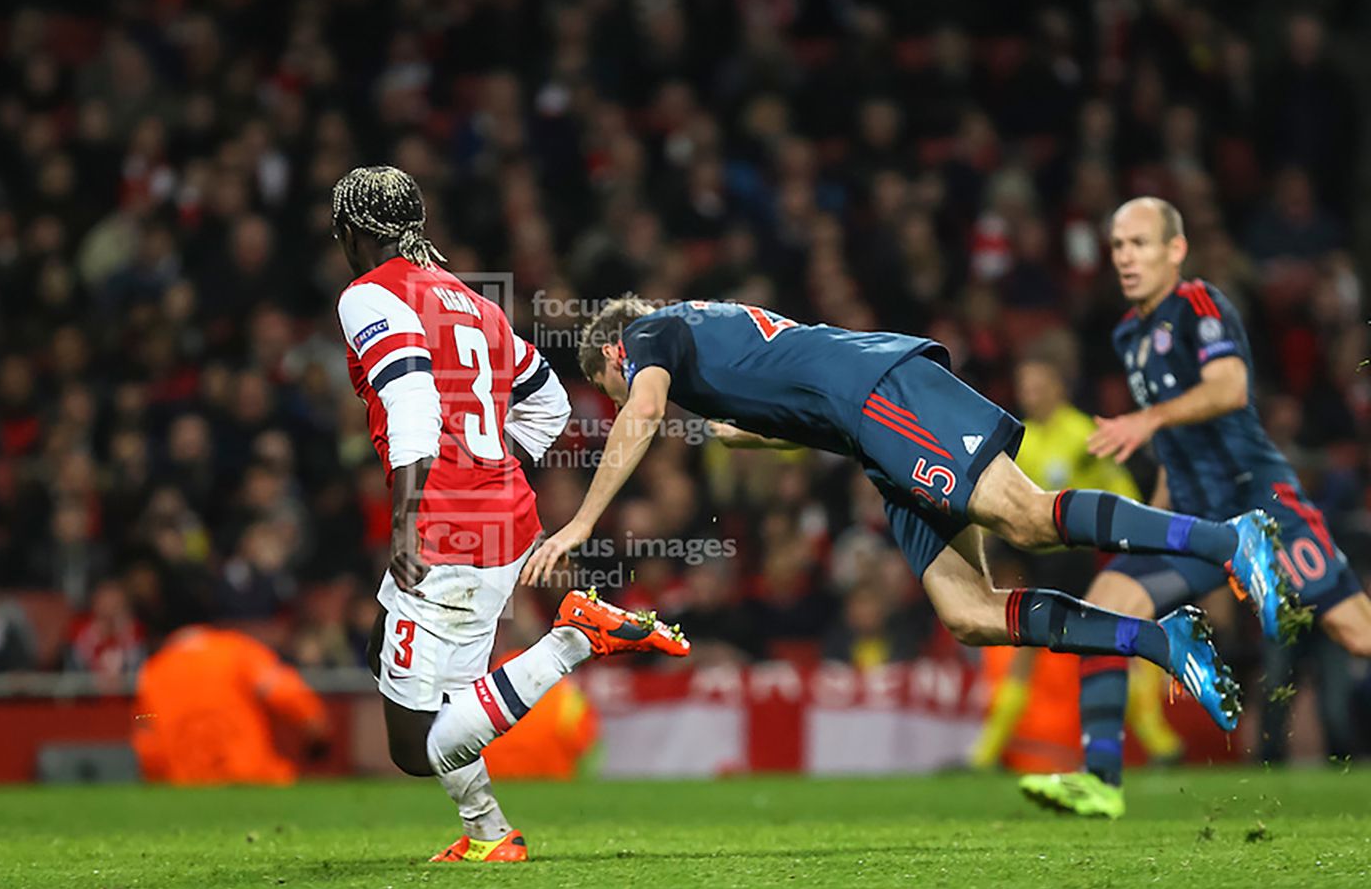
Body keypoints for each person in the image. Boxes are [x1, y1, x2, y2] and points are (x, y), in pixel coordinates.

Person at [523, 287, 1307, 732]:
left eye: (610, 386)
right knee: (968, 612)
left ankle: (1229, 539)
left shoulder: (650, 333)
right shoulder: (701, 336)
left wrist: (583, 521)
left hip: (883, 394)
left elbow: (644, 410)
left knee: (1027, 517)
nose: (619, 399)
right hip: (869, 432)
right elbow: (787, 395)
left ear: (615, 355)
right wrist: (748, 431)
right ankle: (1163, 640)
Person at [330, 166, 687, 864]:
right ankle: (490, 833)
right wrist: (488, 464)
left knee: (417, 748)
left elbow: (411, 403)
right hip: (498, 519)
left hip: (444, 523)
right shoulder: (473, 302)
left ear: (354, 233)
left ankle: (573, 639)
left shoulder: (369, 294)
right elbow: (550, 403)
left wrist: (407, 517)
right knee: (389, 653)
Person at [1020, 197, 1371, 818]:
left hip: (1262, 508)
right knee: (1102, 605)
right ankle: (1100, 779)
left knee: (1355, 631)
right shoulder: (1129, 336)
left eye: (1140, 243)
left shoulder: (1198, 304)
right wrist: (1150, 527)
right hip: (1196, 522)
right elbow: (1174, 452)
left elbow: (1230, 388)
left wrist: (1148, 419)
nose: (1126, 257)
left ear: (1174, 250)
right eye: (1118, 246)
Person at [969, 351, 1183, 774]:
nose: (1029, 393)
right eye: (1024, 386)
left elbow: (1118, 488)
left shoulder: (1082, 434)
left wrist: (1138, 533)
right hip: (1037, 560)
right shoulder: (1020, 437)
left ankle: (1160, 742)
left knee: (1109, 644)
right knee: (1036, 650)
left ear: (1058, 387)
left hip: (1079, 559)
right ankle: (986, 755)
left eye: (1037, 385)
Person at [132, 624, 328, 785]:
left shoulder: (154, 671)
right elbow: (283, 690)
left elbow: (148, 741)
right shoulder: (235, 650)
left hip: (190, 786)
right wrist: (313, 720)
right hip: (252, 777)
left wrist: (159, 781)